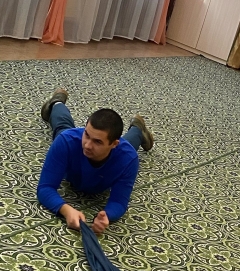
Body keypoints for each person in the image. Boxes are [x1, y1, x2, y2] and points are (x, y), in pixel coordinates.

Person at [37, 88, 154, 234]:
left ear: (114, 144)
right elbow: (45, 188)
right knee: (62, 128)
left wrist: (107, 215)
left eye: (97, 142)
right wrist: (65, 210)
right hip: (71, 140)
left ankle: (137, 129)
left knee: (128, 148)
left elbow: (119, 202)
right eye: (86, 134)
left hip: (120, 151)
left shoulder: (127, 159)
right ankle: (57, 103)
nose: (87, 145)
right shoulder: (67, 142)